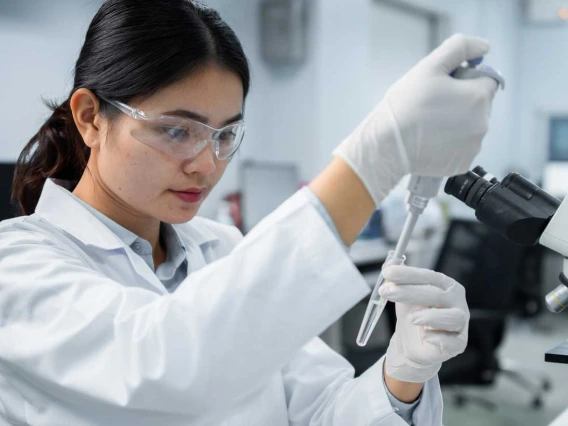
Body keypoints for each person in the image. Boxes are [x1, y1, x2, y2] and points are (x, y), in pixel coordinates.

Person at [0, 1, 498, 425]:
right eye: (177, 130)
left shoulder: (223, 247)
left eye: (224, 135)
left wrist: (402, 376)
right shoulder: (16, 265)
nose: (207, 164)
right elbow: (164, 370)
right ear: (90, 117)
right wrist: (375, 161)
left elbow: (321, 408)